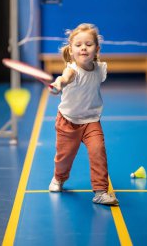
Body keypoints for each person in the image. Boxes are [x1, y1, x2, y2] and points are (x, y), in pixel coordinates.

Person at [48, 23, 119, 206]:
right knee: (64, 158)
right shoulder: (72, 70)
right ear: (71, 50)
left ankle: (100, 191)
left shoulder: (100, 68)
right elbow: (64, 78)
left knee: (98, 151)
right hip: (68, 121)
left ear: (97, 49)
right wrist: (59, 84)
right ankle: (59, 178)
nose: (83, 48)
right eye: (78, 45)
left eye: (88, 44)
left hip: (91, 121)